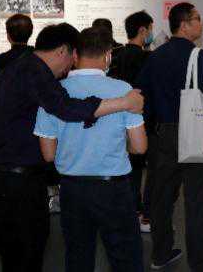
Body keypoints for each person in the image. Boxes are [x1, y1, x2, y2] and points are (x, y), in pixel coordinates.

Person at [0, 23, 144, 272]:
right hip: (20, 186)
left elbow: (49, 152)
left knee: (69, 256)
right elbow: (66, 108)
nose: (70, 66)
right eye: (71, 57)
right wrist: (124, 102)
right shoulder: (36, 74)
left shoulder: (20, 69)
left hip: (32, 183)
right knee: (124, 257)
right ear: (64, 51)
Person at [34, 27, 147, 272]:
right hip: (114, 188)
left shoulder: (54, 92)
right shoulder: (124, 90)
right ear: (108, 55)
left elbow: (48, 154)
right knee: (126, 259)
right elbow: (140, 147)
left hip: (72, 189)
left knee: (78, 258)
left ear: (75, 55)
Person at [135, 2, 203, 272]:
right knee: (197, 201)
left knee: (162, 198)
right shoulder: (198, 57)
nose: (201, 23)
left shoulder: (155, 56)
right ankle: (201, 262)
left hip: (162, 134)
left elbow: (141, 94)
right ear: (185, 25)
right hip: (194, 133)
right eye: (197, 18)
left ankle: (161, 254)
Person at [0, 13, 35, 238]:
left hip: (3, 125)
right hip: (31, 125)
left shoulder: (0, 61)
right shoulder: (37, 59)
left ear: (8, 35)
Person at [108, 9, 154, 232]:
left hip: (115, 118)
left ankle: (123, 211)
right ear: (143, 30)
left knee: (123, 168)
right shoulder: (146, 58)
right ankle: (137, 213)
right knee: (138, 168)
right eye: (150, 29)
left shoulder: (116, 55)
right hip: (138, 119)